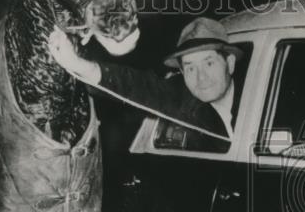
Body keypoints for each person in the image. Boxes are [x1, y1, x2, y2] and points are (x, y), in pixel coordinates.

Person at [47, 17, 242, 153]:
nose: (201, 77)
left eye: (209, 63)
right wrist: (75, 63)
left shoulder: (265, 95)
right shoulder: (185, 99)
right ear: (182, 73)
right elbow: (135, 85)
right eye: (191, 68)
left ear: (230, 63)